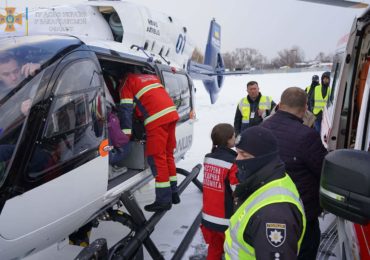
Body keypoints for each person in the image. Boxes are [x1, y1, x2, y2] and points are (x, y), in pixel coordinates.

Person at [262, 87, 328, 260]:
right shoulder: (306, 136)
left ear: (281, 104)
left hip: (266, 207)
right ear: (305, 107)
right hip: (300, 212)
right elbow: (324, 170)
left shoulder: (263, 127)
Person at [224, 126, 306, 259]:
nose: (237, 159)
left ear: (262, 158)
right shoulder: (267, 178)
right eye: (237, 152)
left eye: (244, 154)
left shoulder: (274, 216)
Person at [119, 73, 179, 212]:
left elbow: (126, 110)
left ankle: (163, 201)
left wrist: (125, 135)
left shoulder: (126, 83)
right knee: (167, 154)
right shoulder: (149, 77)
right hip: (172, 114)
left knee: (157, 159)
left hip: (157, 119)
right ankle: (173, 193)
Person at [201, 123, 239, 259]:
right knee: (232, 251)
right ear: (228, 140)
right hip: (225, 221)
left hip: (208, 217)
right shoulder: (232, 162)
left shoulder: (208, 157)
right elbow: (237, 190)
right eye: (234, 136)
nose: (235, 138)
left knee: (214, 249)